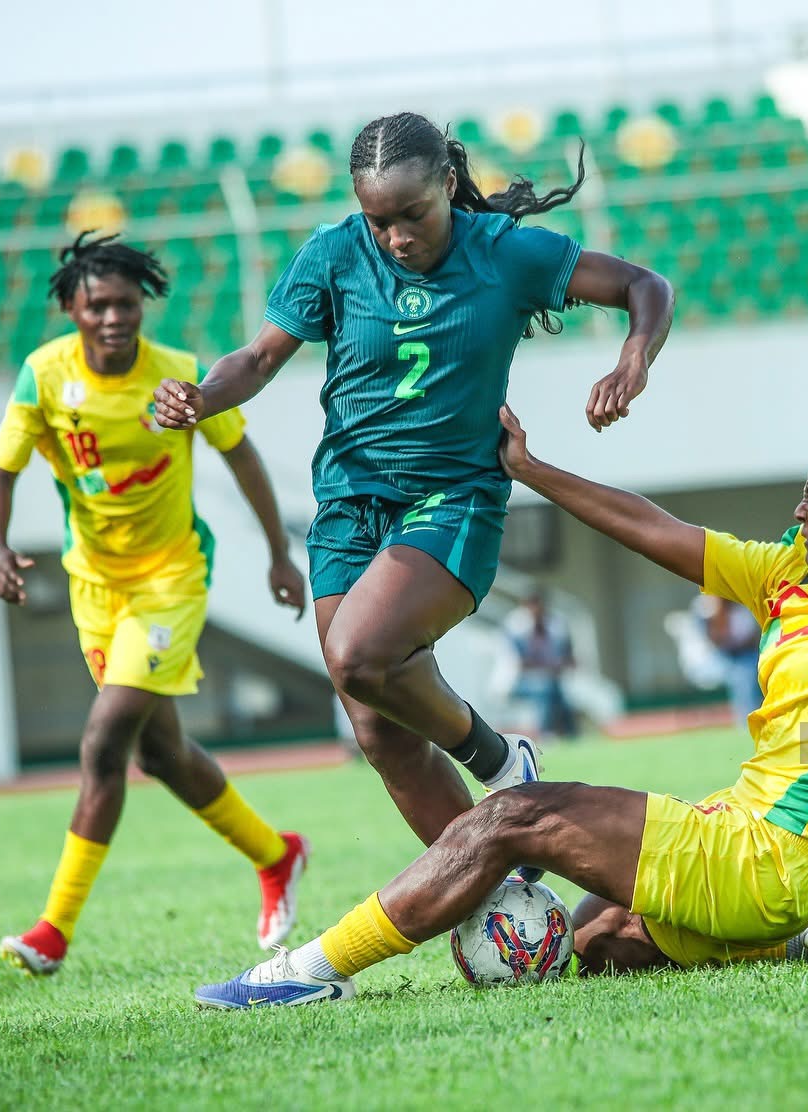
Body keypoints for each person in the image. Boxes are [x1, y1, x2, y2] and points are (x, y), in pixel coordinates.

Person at [191, 386, 808, 1005]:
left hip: (768, 856)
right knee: (597, 948)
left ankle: (308, 972)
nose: (799, 511)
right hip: (761, 849)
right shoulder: (786, 575)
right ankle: (799, 943)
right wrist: (534, 471)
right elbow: (654, 528)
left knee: (512, 813)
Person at [154, 112, 674, 855]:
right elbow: (259, 358)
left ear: (449, 185)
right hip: (347, 505)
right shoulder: (334, 254)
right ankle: (496, 901)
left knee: (360, 657)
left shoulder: (506, 253)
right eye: (379, 220)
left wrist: (634, 360)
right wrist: (202, 395)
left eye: (413, 215)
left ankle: (501, 761)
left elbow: (642, 285)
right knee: (375, 724)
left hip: (453, 500)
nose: (397, 236)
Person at [0, 232, 311, 977]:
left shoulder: (181, 375)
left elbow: (241, 455)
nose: (113, 317)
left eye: (127, 304)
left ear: (143, 307)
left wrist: (279, 554)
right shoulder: (43, 378)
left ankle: (52, 931)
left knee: (105, 744)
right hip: (95, 587)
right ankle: (275, 853)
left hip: (171, 579)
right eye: (97, 304)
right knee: (161, 753)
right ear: (71, 306)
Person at [503, 591, 578, 739]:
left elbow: (568, 656)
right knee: (546, 689)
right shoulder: (516, 627)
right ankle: (546, 734)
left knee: (560, 694)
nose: (536, 610)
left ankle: (571, 735)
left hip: (552, 679)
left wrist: (560, 664)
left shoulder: (554, 624)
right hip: (517, 682)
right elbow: (521, 664)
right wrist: (551, 665)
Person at [696, 594, 763, 725]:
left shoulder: (742, 607)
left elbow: (749, 640)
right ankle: (746, 721)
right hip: (715, 658)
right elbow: (714, 640)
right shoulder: (706, 607)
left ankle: (751, 719)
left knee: (746, 671)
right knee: (741, 674)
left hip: (744, 656)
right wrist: (719, 613)